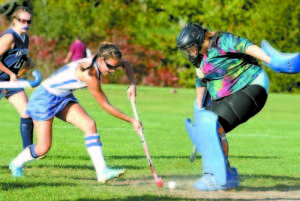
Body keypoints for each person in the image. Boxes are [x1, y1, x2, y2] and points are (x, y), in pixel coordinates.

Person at [9, 42, 143, 183]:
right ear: (100, 59)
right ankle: (16, 163)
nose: (112, 71)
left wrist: (132, 85)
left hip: (63, 96)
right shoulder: (89, 74)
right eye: (110, 67)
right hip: (44, 99)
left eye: (115, 67)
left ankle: (102, 171)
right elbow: (105, 105)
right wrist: (131, 120)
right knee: (43, 148)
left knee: (89, 124)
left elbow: (126, 64)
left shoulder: (109, 58)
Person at [177, 23, 272, 191]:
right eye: (186, 50)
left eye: (190, 48)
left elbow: (246, 45)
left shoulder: (221, 41)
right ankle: (226, 174)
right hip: (226, 96)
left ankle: (217, 177)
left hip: (250, 86)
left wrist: (271, 60)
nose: (190, 52)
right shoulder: (199, 58)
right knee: (203, 128)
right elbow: (200, 81)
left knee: (212, 126)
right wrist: (199, 109)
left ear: (200, 40)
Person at [0, 6, 34, 150]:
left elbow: (18, 57)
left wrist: (28, 62)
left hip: (10, 83)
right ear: (15, 20)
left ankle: (28, 152)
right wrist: (10, 73)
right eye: (22, 21)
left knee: (27, 113)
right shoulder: (9, 37)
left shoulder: (25, 38)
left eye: (29, 22)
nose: (26, 24)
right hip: (3, 79)